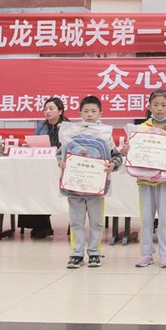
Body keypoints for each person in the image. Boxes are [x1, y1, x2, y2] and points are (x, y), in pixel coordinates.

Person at [126, 89, 166, 269]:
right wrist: (128, 149)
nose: (159, 108)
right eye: (155, 105)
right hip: (144, 179)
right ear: (149, 107)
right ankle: (146, 253)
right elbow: (133, 149)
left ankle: (164, 254)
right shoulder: (141, 128)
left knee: (164, 218)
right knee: (146, 218)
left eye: (163, 105)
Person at [60, 95, 122, 269]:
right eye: (86, 111)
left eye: (93, 111)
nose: (89, 114)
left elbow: (116, 156)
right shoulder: (71, 132)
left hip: (96, 186)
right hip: (75, 185)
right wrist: (61, 162)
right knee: (76, 221)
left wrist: (113, 165)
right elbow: (61, 153)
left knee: (97, 221)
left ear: (100, 114)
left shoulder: (105, 134)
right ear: (80, 113)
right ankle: (77, 254)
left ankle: (94, 252)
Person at [19, 97, 66, 239]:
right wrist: (29, 146)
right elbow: (35, 141)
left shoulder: (67, 127)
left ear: (60, 111)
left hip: (61, 167)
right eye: (45, 109)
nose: (47, 112)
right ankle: (40, 226)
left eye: (51, 109)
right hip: (42, 168)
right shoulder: (41, 126)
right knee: (34, 188)